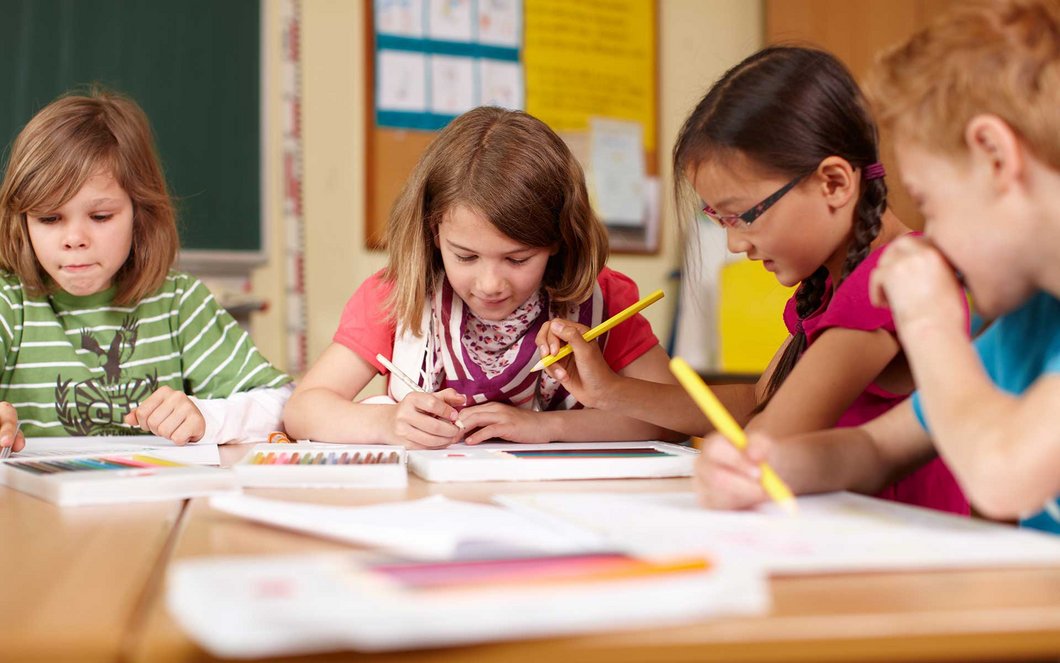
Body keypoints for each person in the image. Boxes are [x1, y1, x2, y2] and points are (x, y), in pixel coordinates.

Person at [539, 46, 968, 514]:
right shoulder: (832, 282)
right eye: (719, 220)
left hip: (906, 560)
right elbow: (758, 403)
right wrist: (610, 392)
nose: (735, 245)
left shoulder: (893, 280)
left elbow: (767, 434)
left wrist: (734, 458)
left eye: (742, 216)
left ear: (834, 183)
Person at [693, 0, 1060, 533]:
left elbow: (1003, 475)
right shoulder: (1032, 320)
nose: (929, 235)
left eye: (930, 203)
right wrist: (768, 465)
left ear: (995, 157)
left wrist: (931, 322)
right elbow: (872, 448)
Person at [283, 106, 679, 449]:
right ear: (433, 231)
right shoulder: (398, 296)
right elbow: (303, 409)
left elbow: (672, 418)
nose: (490, 284)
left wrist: (549, 427)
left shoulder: (604, 298)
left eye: (517, 259)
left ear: (558, 240)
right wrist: (385, 423)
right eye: (466, 256)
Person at [0, 90, 291, 452]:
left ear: (141, 214)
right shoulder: (8, 304)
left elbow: (283, 403)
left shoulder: (178, 302)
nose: (74, 239)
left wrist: (207, 416)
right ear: (22, 221)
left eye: (101, 216)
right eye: (48, 218)